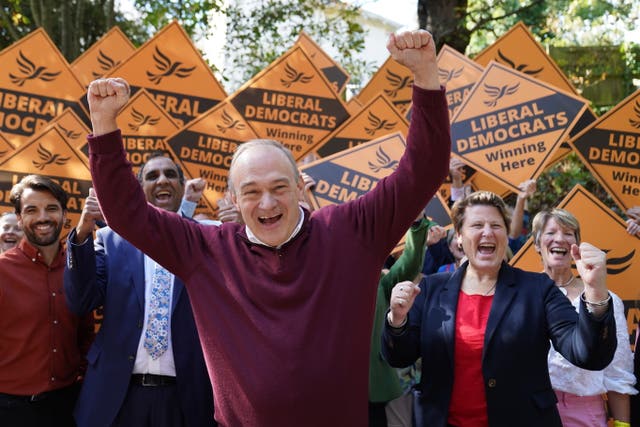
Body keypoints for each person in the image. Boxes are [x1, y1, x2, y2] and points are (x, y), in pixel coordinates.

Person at [84, 29, 450, 426]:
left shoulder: (352, 231)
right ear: (233, 200)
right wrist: (104, 126)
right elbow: (126, 213)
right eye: (252, 191)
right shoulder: (204, 248)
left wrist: (426, 76)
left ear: (298, 187)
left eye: (279, 188)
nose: (268, 203)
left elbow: (423, 171)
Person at [382, 190, 617, 427]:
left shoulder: (538, 289)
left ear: (505, 235)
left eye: (496, 225)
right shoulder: (431, 288)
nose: (487, 232)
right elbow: (399, 357)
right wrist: (397, 318)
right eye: (477, 225)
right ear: (460, 237)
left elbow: (587, 354)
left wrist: (596, 293)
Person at [64, 153, 215, 427]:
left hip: (184, 397)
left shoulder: (206, 239)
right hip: (118, 395)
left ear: (182, 187)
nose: (162, 181)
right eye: (152, 176)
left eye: (170, 174)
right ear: (138, 188)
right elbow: (81, 301)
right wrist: (83, 232)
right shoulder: (111, 240)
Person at [0, 175, 93, 427]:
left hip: (67, 407)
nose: (43, 217)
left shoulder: (79, 269)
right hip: (9, 410)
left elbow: (85, 336)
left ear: (65, 215)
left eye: (51, 208)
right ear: (19, 217)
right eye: (32, 210)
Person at [532, 208, 636, 427]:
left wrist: (622, 425)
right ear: (536, 243)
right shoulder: (520, 294)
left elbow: (618, 373)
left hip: (585, 414)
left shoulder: (605, 300)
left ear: (576, 245)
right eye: (551, 232)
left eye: (568, 233)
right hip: (529, 410)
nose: (559, 238)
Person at [369, 215, 435, 427]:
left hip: (375, 389)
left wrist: (415, 225)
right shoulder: (321, 282)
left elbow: (410, 264)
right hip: (334, 388)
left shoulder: (378, 281)